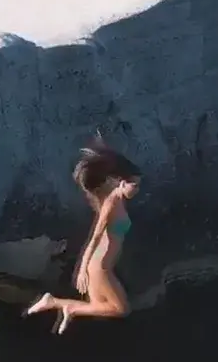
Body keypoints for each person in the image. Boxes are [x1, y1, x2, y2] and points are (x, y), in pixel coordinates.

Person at [24, 138, 141, 335]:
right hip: (100, 267)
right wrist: (82, 269)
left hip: (104, 265)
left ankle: (64, 307)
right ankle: (58, 303)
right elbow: (95, 236)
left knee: (99, 306)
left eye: (138, 186)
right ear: (121, 182)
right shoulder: (111, 204)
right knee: (122, 309)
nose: (136, 190)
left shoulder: (119, 201)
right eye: (134, 185)